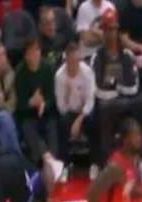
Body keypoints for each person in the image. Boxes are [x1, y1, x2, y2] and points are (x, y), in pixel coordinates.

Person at [91, 8, 142, 183]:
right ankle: (108, 162)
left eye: (113, 29)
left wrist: (114, 85)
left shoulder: (127, 55)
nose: (111, 33)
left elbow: (133, 86)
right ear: (103, 31)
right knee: (105, 107)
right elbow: (97, 89)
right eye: (107, 29)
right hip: (107, 104)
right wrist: (118, 86)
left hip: (126, 102)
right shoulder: (97, 57)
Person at [15, 37, 62, 167]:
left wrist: (43, 104)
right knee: (28, 127)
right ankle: (45, 158)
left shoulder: (47, 68)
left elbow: (52, 97)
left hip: (46, 111)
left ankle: (53, 161)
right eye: (31, 51)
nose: (35, 54)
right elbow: (20, 104)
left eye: (37, 50)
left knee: (51, 125)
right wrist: (31, 102)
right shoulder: (20, 73)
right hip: (27, 114)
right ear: (25, 55)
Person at [55, 41, 96, 182]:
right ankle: (64, 165)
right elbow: (61, 107)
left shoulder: (87, 72)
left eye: (76, 60)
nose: (74, 64)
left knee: (93, 122)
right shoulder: (60, 76)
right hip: (69, 111)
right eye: (71, 61)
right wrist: (67, 94)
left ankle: (95, 163)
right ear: (66, 60)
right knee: (62, 124)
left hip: (85, 111)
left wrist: (80, 119)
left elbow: (90, 100)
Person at [39, 6, 69, 70]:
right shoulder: (37, 45)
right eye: (48, 23)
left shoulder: (61, 38)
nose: (52, 26)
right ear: (40, 26)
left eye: (53, 21)